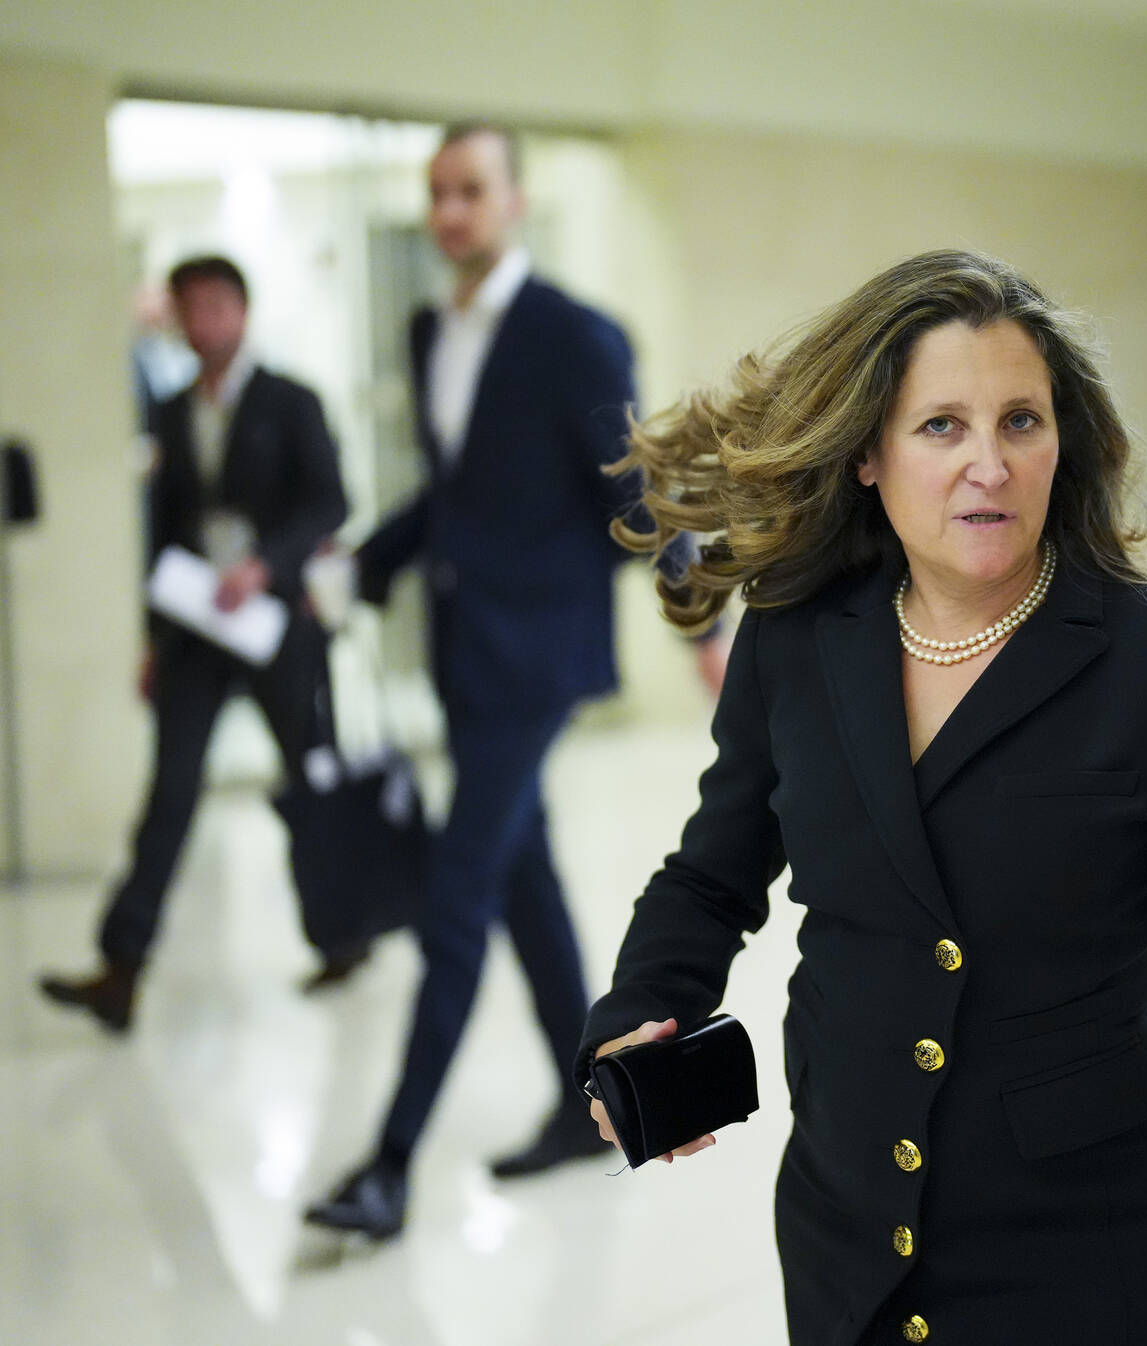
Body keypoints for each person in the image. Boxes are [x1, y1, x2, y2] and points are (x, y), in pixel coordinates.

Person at [575, 249, 1147, 1346]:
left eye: (1021, 420)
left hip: (1093, 1242)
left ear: (1063, 443)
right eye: (942, 427)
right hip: (850, 1226)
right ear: (869, 454)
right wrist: (633, 1014)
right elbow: (710, 870)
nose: (989, 463)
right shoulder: (799, 634)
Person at [303, 123, 710, 1238]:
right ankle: (612, 1105)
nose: (450, 213)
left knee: (454, 901)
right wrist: (360, 568)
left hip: (536, 657)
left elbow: (632, 486)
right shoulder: (431, 326)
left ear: (513, 201)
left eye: (470, 191)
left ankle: (388, 1166)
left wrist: (695, 617)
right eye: (436, 193)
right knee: (525, 888)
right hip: (463, 652)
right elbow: (455, 491)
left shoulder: (574, 335)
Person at [39, 255, 353, 1032]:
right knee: (171, 792)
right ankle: (122, 966)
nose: (205, 322)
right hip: (197, 629)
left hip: (276, 623)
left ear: (242, 312)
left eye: (218, 306)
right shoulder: (173, 410)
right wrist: (154, 637)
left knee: (305, 783)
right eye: (190, 309)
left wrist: (267, 565)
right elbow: (165, 528)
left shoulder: (291, 401)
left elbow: (329, 500)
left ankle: (344, 932)